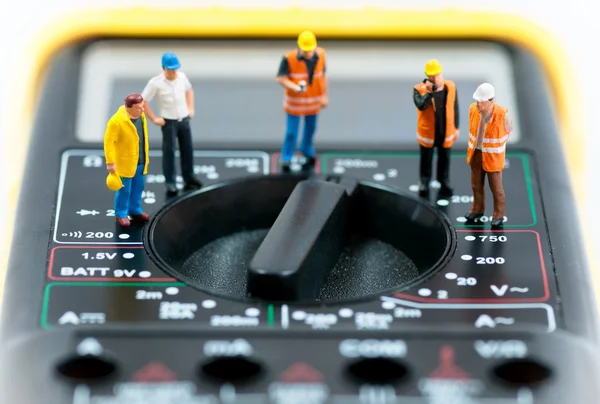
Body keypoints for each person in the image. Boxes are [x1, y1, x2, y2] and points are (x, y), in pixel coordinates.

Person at [141, 51, 202, 194]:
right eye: (171, 69)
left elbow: (189, 91)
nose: (174, 72)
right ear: (164, 68)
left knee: (187, 149)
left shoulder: (182, 77)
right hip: (169, 122)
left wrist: (191, 108)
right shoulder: (155, 83)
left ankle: (189, 177)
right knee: (169, 152)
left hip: (184, 119)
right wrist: (154, 118)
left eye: (176, 68)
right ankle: (170, 182)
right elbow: (143, 101)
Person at [276, 31, 328, 173]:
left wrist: (324, 96)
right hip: (295, 103)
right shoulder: (289, 58)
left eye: (310, 50)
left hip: (313, 102)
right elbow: (281, 78)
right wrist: (295, 87)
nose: (308, 53)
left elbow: (322, 77)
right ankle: (287, 157)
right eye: (305, 50)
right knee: (291, 132)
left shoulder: (322, 55)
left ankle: (307, 151)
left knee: (310, 130)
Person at [464, 83, 513, 228]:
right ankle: (477, 209)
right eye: (477, 100)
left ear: (490, 100)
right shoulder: (473, 109)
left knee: (497, 190)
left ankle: (498, 215)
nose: (478, 104)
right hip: (476, 154)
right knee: (476, 185)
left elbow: (508, 130)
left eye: (481, 101)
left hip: (492, 159)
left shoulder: (502, 115)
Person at [413, 59, 459, 197]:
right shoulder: (419, 90)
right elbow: (421, 105)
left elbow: (455, 108)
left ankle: (444, 181)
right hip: (428, 133)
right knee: (426, 159)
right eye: (431, 76)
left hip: (445, 131)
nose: (435, 79)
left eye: (437, 75)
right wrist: (429, 93)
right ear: (427, 76)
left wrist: (456, 127)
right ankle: (424, 182)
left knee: (445, 159)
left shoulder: (450, 87)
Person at [103, 94, 150, 228]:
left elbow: (143, 138)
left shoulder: (141, 116)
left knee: (138, 188)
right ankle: (121, 214)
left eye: (142, 107)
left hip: (141, 161)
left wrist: (146, 155)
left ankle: (135, 210)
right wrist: (110, 162)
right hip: (124, 163)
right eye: (138, 108)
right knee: (124, 190)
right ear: (128, 107)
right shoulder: (116, 121)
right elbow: (108, 143)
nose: (142, 110)